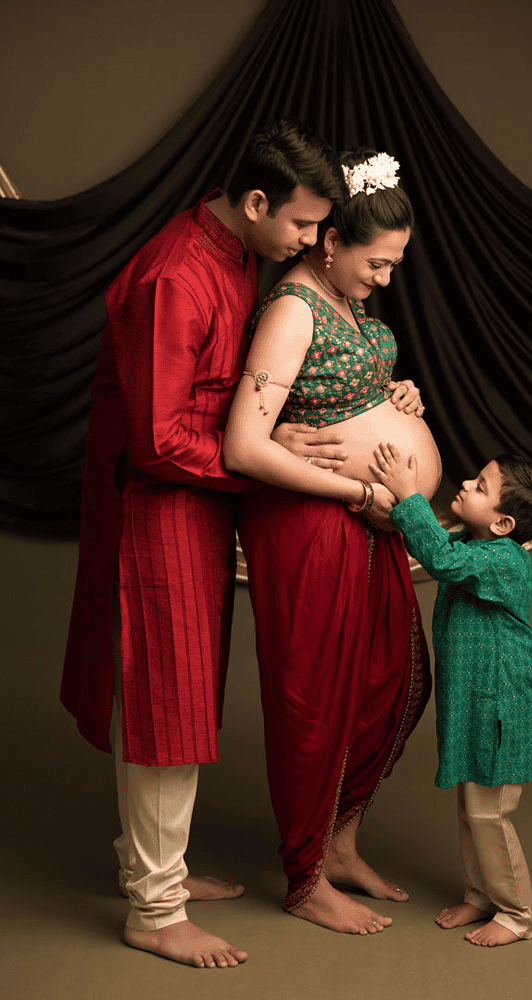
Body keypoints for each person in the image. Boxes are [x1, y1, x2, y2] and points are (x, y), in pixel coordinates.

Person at [60, 119, 352, 968]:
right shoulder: (176, 276)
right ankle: (153, 910)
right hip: (155, 508)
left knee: (177, 702)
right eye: (300, 225)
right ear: (256, 201)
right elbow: (156, 440)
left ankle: (159, 873)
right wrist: (265, 462)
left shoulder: (234, 254)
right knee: (167, 710)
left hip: (195, 508)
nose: (308, 242)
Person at [224, 150, 441, 935]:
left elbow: (337, 390)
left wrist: (395, 393)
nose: (385, 280)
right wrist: (360, 489)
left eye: (395, 267)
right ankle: (305, 874)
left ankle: (340, 843)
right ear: (330, 242)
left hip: (367, 522)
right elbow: (245, 446)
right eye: (376, 263)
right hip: (311, 523)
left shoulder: (346, 306)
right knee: (315, 696)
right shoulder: (291, 308)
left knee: (389, 683)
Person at [369, 444, 532, 946]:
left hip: (501, 707)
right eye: (474, 478)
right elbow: (438, 544)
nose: (466, 485)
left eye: (480, 487)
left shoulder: (501, 561)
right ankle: (481, 896)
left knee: (489, 813)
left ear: (503, 525)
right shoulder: (478, 546)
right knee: (471, 809)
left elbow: (437, 555)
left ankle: (518, 914)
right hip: (475, 705)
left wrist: (408, 494)